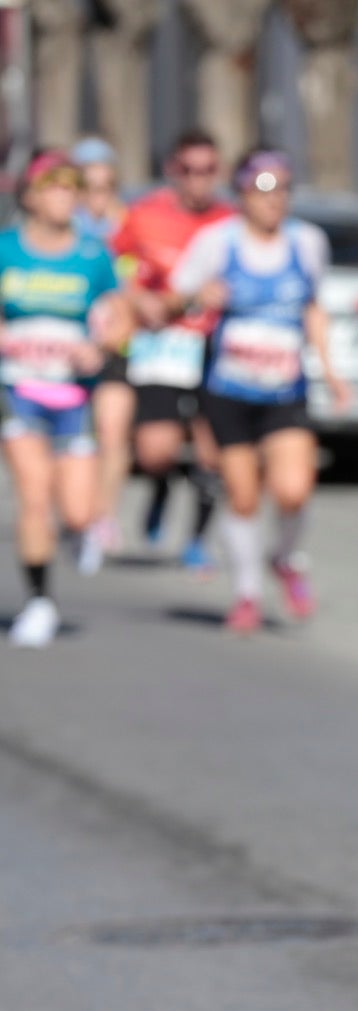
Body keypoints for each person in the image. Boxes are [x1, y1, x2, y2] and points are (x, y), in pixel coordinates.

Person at [168, 147, 348, 634]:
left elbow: (313, 307)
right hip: (228, 390)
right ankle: (246, 594)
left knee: (294, 489)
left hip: (284, 389)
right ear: (242, 194)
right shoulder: (217, 242)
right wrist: (198, 297)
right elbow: (174, 295)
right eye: (264, 188)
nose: (275, 199)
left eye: (283, 188)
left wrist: (331, 371)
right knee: (244, 496)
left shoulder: (307, 242)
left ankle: (285, 558)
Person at [0, 150, 123, 646]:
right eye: (53, 186)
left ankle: (80, 530)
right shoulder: (6, 248)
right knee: (34, 496)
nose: (64, 196)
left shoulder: (93, 255)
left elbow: (120, 317)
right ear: (30, 195)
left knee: (76, 511)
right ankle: (39, 601)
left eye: (72, 187)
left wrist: (101, 347)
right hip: (18, 390)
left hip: (73, 395)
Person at [112, 128, 234, 569]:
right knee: (155, 450)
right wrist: (137, 298)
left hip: (214, 343)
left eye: (208, 170)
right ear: (172, 170)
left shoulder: (229, 223)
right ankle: (161, 485)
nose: (198, 179)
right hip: (163, 342)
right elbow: (116, 265)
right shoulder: (144, 215)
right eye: (189, 170)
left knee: (213, 450)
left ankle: (198, 539)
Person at [70, 136, 135, 571]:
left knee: (113, 433)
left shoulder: (128, 226)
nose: (98, 197)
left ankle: (103, 515)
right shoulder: (63, 227)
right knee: (76, 438)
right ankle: (75, 509)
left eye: (106, 187)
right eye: (89, 187)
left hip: (117, 346)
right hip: (69, 351)